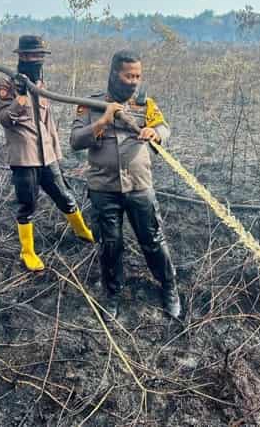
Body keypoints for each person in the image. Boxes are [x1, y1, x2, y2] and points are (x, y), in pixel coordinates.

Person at [70, 49, 181, 319]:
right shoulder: (91, 104)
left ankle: (169, 288)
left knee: (153, 240)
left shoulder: (145, 104)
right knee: (110, 244)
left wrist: (155, 132)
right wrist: (103, 120)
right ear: (114, 74)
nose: (133, 81)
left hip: (139, 185)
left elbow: (164, 127)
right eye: (128, 75)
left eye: (138, 76)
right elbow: (75, 140)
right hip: (103, 188)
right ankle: (112, 294)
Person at [0, 35, 94, 271]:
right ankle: (27, 251)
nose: (36, 59)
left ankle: (82, 231)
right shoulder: (6, 83)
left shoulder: (41, 83)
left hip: (47, 156)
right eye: (31, 55)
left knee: (65, 195)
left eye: (39, 55)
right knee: (27, 204)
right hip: (24, 157)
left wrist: (56, 152)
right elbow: (5, 120)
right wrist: (20, 98)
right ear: (21, 56)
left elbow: (48, 124)